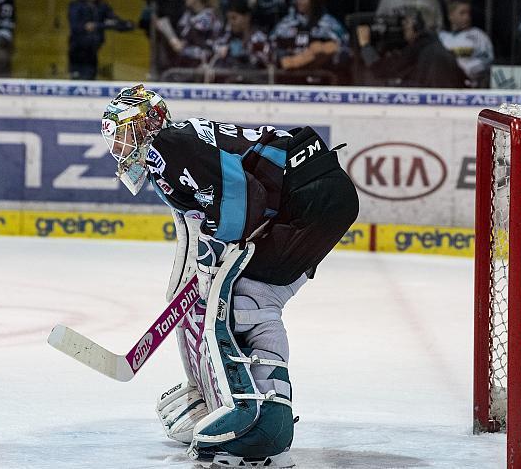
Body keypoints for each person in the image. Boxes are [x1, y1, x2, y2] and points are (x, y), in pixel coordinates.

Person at [100, 85, 358, 467]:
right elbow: (204, 217)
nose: (120, 149)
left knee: (249, 298)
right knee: (246, 295)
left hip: (310, 195)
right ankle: (237, 398)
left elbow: (242, 191)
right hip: (315, 193)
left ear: (149, 123)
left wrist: (223, 250)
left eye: (125, 135)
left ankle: (264, 420)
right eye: (114, 140)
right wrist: (203, 266)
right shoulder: (171, 150)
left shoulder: (168, 144)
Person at [357, 6, 466, 87]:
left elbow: (381, 70)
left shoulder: (420, 48)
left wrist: (365, 45)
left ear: (415, 26)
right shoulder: (434, 45)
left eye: (405, 25)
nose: (403, 30)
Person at [270, 0, 350, 84]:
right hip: (288, 79)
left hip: (322, 80)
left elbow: (344, 50)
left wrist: (318, 54)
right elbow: (271, 48)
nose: (300, 1)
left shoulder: (330, 24)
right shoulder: (285, 24)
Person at [68, 0, 134, 80]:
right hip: (78, 50)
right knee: (78, 77)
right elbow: (76, 27)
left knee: (90, 75)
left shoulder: (102, 6)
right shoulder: (76, 5)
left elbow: (115, 22)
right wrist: (104, 24)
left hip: (93, 50)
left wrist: (126, 24)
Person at [211, 0, 271, 82]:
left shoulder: (259, 38)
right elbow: (216, 48)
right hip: (229, 84)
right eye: (229, 19)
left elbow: (265, 62)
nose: (231, 22)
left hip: (254, 84)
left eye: (234, 18)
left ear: (247, 17)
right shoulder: (227, 37)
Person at [438, 0, 493, 87]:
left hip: (469, 87)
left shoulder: (478, 36)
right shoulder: (441, 37)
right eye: (462, 13)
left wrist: (465, 71)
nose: (466, 17)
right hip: (443, 86)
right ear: (450, 16)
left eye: (468, 13)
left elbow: (487, 61)